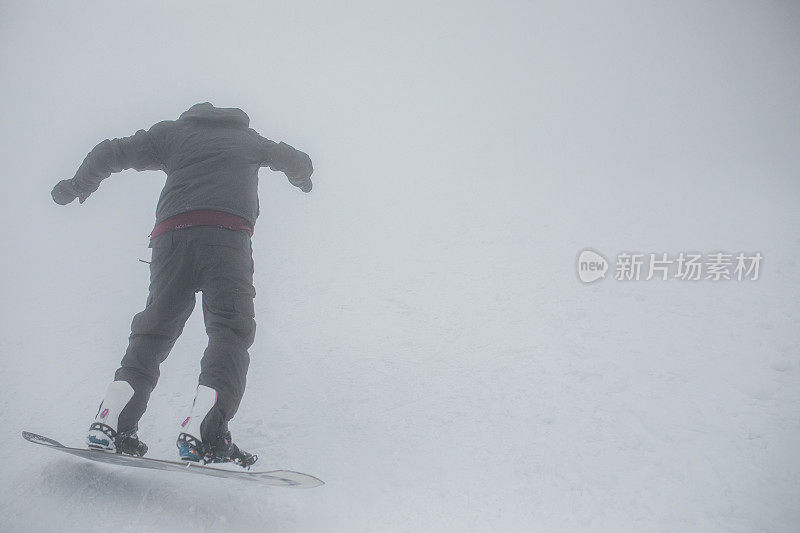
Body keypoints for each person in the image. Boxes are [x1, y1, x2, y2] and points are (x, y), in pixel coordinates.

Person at [51, 102, 313, 467]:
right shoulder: (249, 140)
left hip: (171, 237)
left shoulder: (173, 134)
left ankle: (114, 418)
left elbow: (110, 151)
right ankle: (206, 430)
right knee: (230, 329)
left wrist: (79, 185)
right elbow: (297, 159)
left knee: (155, 329)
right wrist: (302, 179)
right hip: (226, 236)